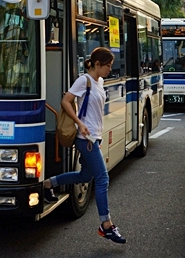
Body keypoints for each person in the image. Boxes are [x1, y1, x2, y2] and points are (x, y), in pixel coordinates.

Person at [43, 47, 126, 244]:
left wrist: (98, 134)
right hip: (84, 138)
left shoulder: (100, 82)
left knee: (85, 176)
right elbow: (66, 101)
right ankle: (106, 225)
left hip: (94, 136)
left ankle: (48, 184)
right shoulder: (84, 81)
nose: (109, 70)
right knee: (103, 178)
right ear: (97, 64)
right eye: (107, 66)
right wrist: (79, 123)